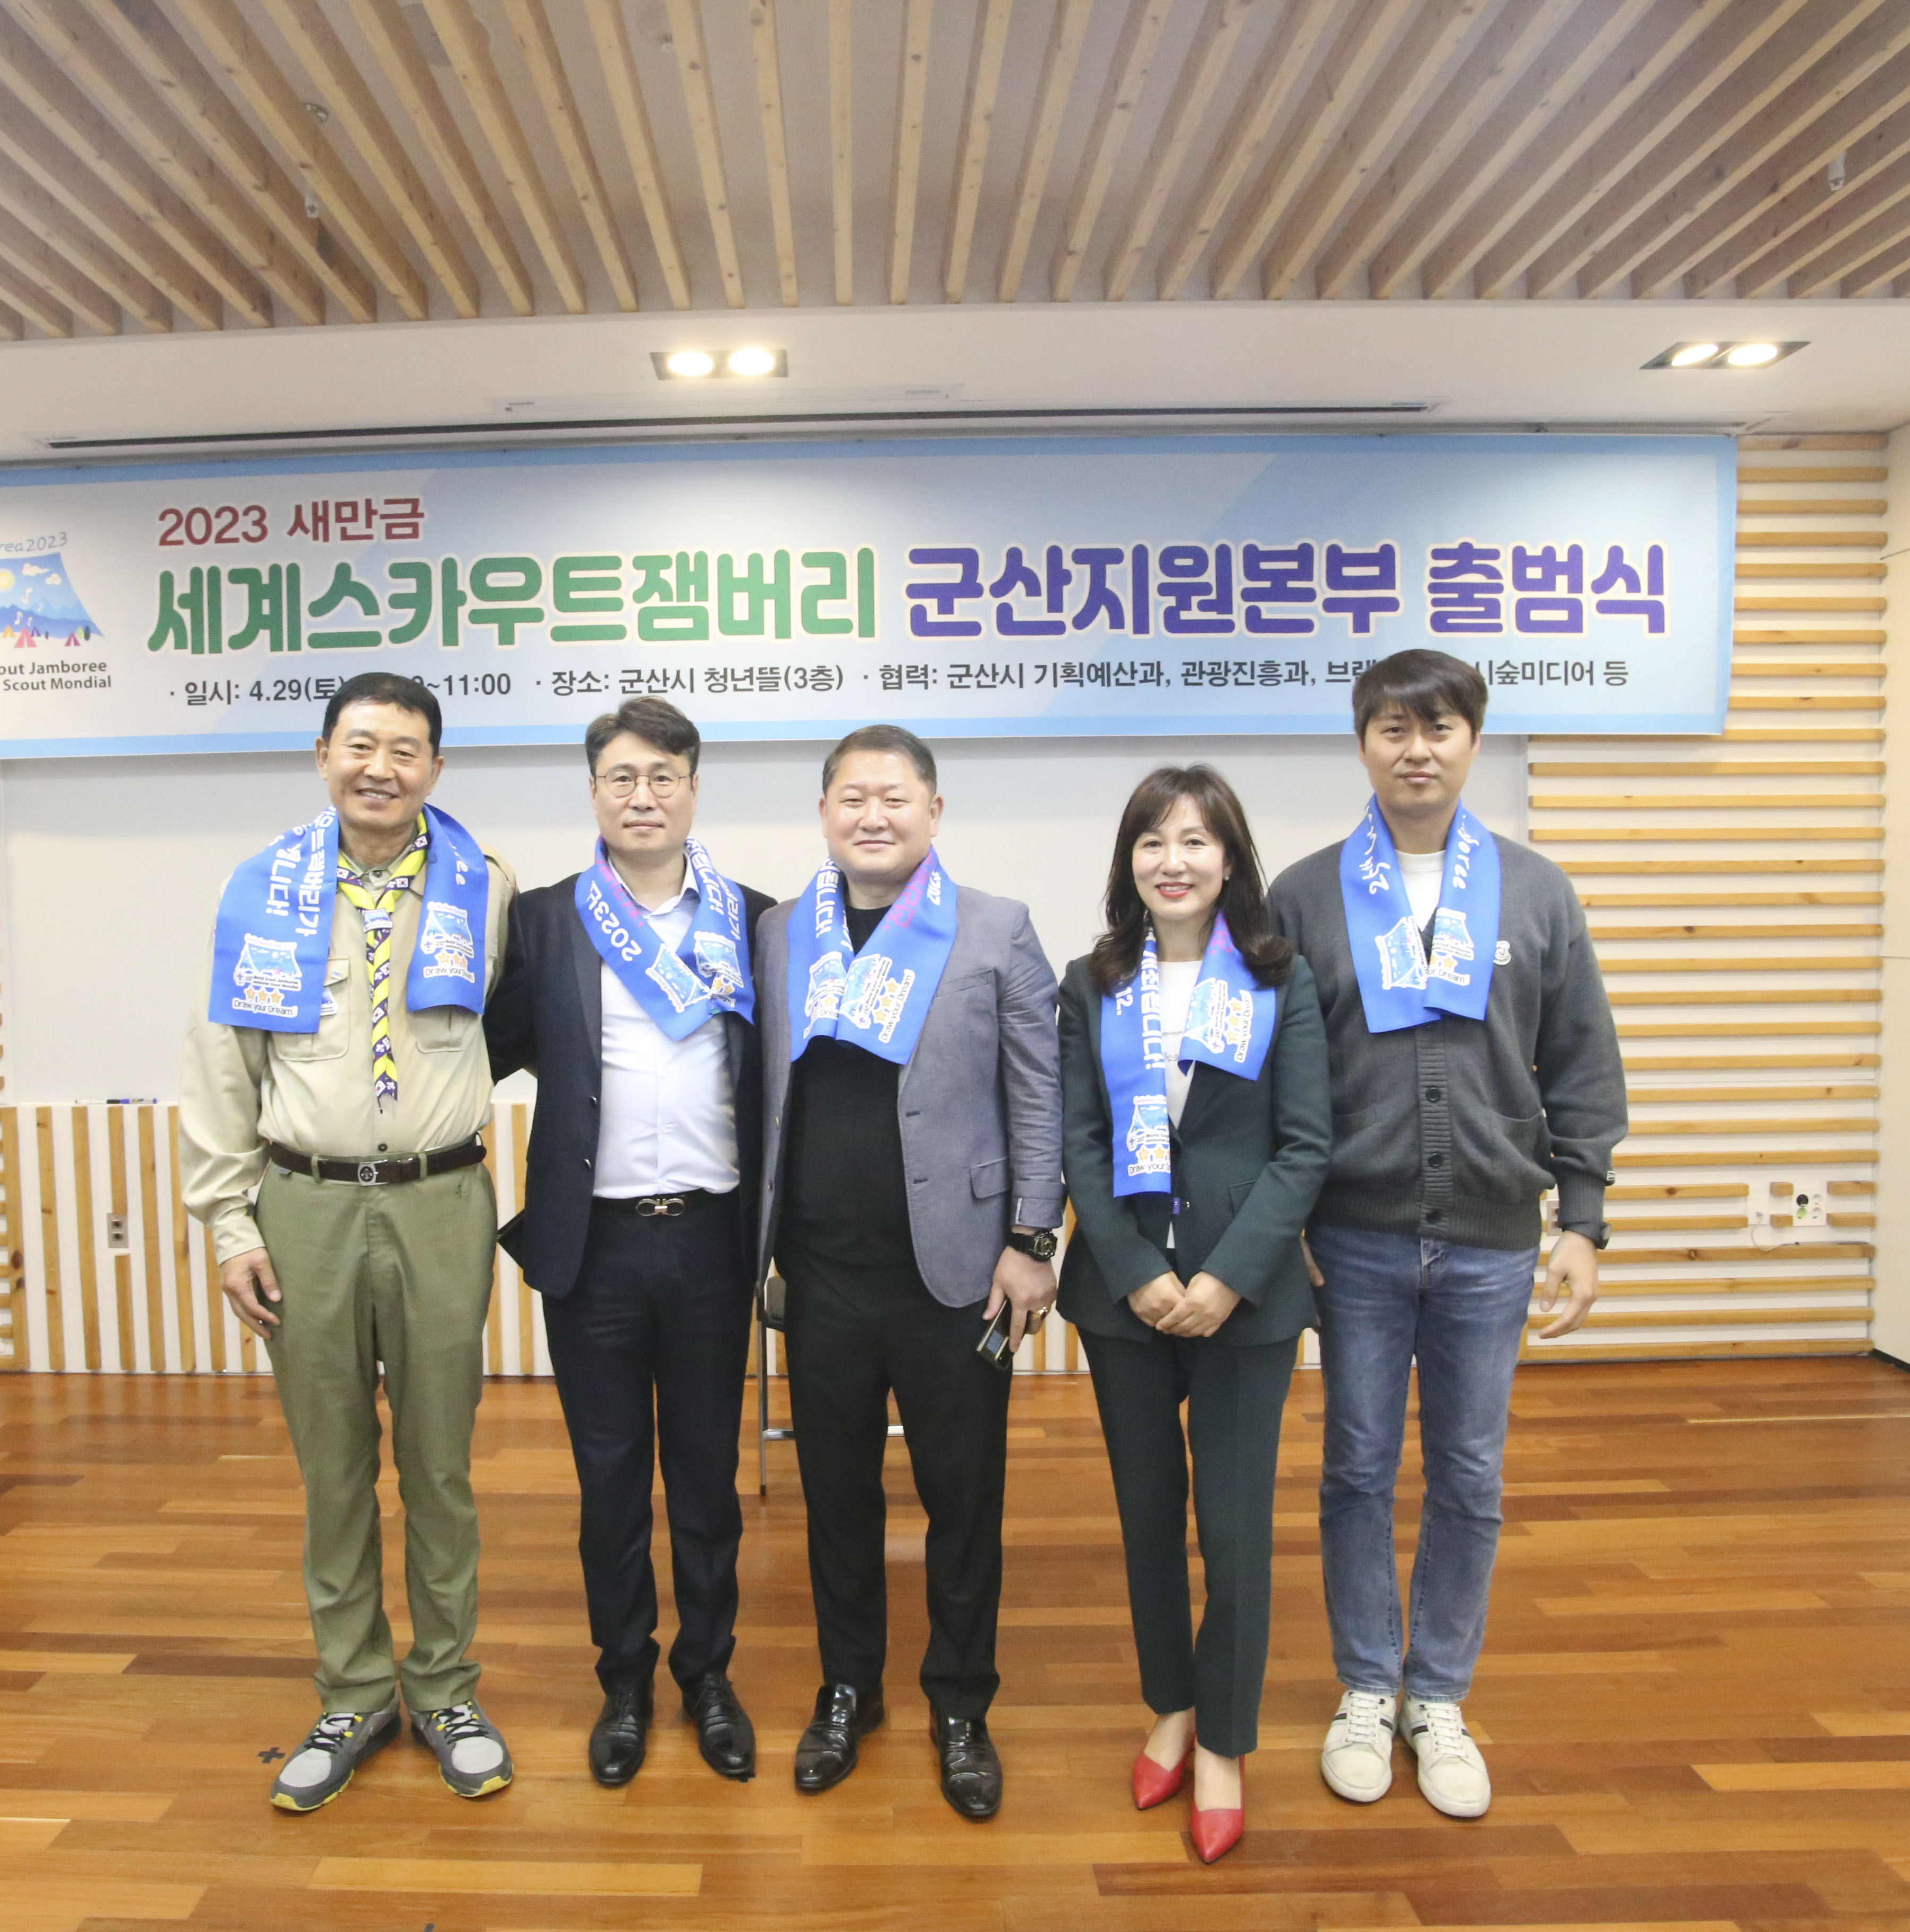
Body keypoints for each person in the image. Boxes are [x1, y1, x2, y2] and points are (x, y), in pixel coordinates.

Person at [1267, 648, 1625, 1822]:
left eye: (1439, 728)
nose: (1415, 749)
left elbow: (1582, 1061)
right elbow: (1270, 1076)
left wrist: (1583, 1219)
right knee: (1357, 1467)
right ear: (1362, 742)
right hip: (1353, 1238)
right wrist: (1284, 1225)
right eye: (1392, 728)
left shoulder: (1535, 892)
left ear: (1473, 740)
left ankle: (1440, 1695)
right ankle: (1367, 1686)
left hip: (1492, 1237)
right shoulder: (1305, 896)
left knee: (1470, 1474)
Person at [179, 671, 521, 1813]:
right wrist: (230, 1223)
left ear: (436, 768)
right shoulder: (260, 891)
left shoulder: (486, 886)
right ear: (323, 756)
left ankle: (447, 1689)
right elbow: (222, 1065)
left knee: (439, 1465)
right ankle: (355, 1691)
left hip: (441, 1202)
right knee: (333, 1468)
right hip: (305, 1207)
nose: (382, 767)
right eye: (360, 745)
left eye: (406, 749)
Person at [752, 723, 1063, 1820]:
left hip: (959, 1276)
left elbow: (1039, 1092)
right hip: (821, 1277)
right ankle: (848, 1689)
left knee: (963, 1503)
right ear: (824, 814)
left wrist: (1034, 1240)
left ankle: (961, 1705)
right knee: (835, 1499)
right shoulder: (782, 931)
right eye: (851, 798)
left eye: (894, 797)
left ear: (934, 811)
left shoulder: (995, 926)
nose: (872, 816)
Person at [483, 696, 771, 1788]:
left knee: (705, 1478)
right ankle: (624, 1681)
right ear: (594, 791)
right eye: (621, 778)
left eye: (662, 777)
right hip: (592, 1247)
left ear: (693, 789)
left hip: (710, 1240)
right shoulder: (545, 922)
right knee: (608, 1481)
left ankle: (709, 1675)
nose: (641, 796)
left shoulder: (757, 921)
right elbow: (487, 1048)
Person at [1055, 765, 1329, 1865]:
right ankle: (1169, 1705)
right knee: (1147, 1517)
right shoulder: (1093, 981)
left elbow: (1305, 1146)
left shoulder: (1279, 979)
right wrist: (1133, 1270)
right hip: (1125, 1299)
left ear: (1230, 859)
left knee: (1234, 1527)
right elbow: (1079, 1140)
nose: (1173, 862)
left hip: (1242, 1302)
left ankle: (1223, 1741)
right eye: (1152, 842)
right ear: (1129, 861)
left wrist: (1227, 1278)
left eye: (1195, 841)